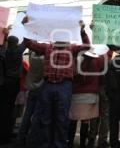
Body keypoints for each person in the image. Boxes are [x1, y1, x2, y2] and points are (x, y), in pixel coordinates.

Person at [22, 17, 90, 148]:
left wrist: (82, 31)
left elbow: (87, 46)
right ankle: (46, 144)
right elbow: (29, 44)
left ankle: (59, 145)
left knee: (61, 118)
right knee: (46, 117)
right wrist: (26, 27)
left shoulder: (72, 49)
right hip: (48, 85)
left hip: (64, 85)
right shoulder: (47, 48)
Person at [68, 47, 112, 148]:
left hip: (76, 94)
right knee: (86, 121)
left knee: (73, 120)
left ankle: (70, 142)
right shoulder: (98, 61)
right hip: (90, 95)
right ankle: (85, 143)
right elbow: (106, 60)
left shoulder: (76, 59)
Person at [0, 26, 26, 145]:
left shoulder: (5, 52)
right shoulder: (17, 51)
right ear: (16, 43)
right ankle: (6, 136)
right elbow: (26, 42)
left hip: (5, 82)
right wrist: (26, 26)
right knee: (11, 109)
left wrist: (5, 35)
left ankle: (3, 134)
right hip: (14, 83)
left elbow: (4, 44)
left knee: (4, 108)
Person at [16, 51, 44, 147]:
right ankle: (31, 139)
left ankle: (20, 138)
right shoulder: (45, 59)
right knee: (37, 116)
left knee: (27, 115)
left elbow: (32, 51)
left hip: (31, 89)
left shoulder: (32, 57)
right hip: (40, 89)